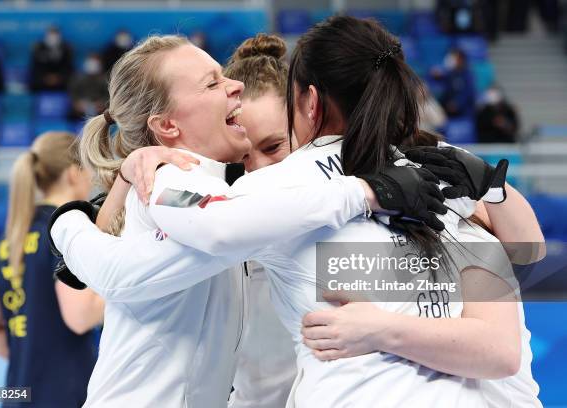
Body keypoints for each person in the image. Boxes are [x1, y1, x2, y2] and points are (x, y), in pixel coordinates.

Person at [51, 18, 520, 407]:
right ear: (167, 125)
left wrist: (488, 185)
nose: (232, 85)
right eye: (213, 83)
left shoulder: (253, 195)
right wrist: (65, 224)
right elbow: (141, 265)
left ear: (307, 108)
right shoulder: (182, 186)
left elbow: (519, 267)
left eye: (275, 145)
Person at [0, 131, 104, 407]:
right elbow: (79, 316)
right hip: (67, 393)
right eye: (87, 170)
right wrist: (129, 286)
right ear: (72, 174)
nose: (91, 179)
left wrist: (30, 358)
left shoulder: (10, 238)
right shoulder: (66, 233)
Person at [431, 48, 476, 118]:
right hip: (447, 109)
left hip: (463, 111)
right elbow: (443, 84)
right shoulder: (450, 74)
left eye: (455, 58)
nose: (452, 60)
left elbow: (468, 93)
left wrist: (457, 103)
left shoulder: (467, 75)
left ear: (461, 60)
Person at [29, 27, 74, 91]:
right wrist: (45, 77)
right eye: (51, 34)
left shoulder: (66, 48)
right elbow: (36, 66)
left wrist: (58, 77)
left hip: (61, 80)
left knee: (70, 82)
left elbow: (68, 66)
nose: (53, 37)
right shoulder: (39, 47)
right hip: (43, 79)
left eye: (55, 34)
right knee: (34, 82)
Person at [68, 53, 109, 121]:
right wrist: (77, 103)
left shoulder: (105, 79)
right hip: (81, 106)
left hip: (99, 108)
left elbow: (108, 95)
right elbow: (73, 93)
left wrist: (102, 104)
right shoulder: (77, 78)